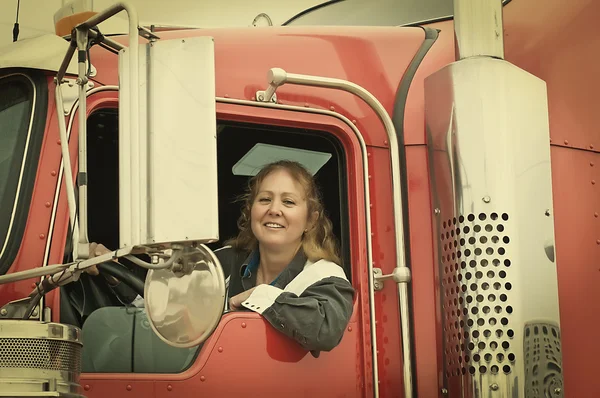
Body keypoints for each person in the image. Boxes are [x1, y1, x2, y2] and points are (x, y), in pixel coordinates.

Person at [215, 160, 354, 356]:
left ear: (310, 220)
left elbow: (326, 329)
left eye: (288, 202)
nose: (274, 210)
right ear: (250, 210)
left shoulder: (325, 275)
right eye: (264, 199)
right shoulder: (220, 263)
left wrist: (260, 296)